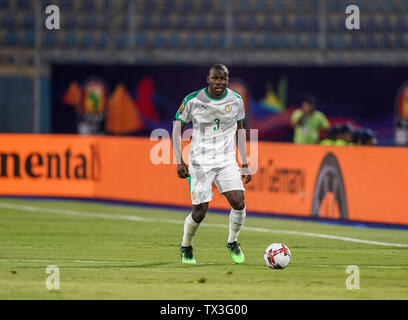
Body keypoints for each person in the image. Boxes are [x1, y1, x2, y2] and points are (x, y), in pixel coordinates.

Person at [172, 64, 252, 264]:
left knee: (239, 202)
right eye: (215, 78)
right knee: (200, 212)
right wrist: (178, 160)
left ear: (227, 80)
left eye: (223, 79)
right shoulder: (193, 100)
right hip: (200, 161)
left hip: (226, 159)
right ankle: (186, 245)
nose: (219, 82)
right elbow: (176, 129)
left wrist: (244, 161)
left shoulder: (236, 100)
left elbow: (240, 131)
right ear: (208, 79)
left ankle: (232, 241)